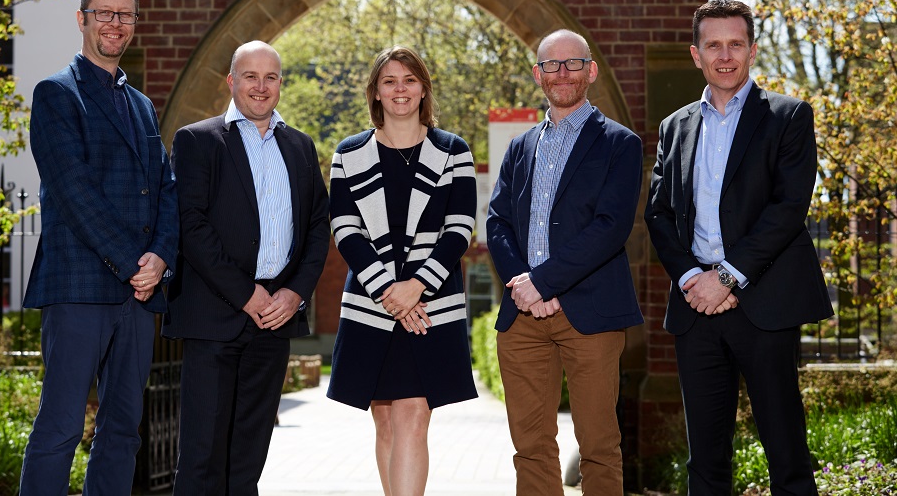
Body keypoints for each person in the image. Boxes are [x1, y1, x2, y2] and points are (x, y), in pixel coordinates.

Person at [644, 0, 834, 494]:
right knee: (704, 460)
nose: (724, 55)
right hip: (694, 309)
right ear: (696, 53)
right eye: (713, 45)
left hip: (764, 302)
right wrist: (692, 279)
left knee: (786, 451)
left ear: (751, 50)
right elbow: (659, 215)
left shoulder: (788, 117)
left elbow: (788, 209)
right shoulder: (675, 126)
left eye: (735, 44)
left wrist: (726, 277)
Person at [19, 0, 179, 496]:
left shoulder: (141, 106)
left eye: (125, 14)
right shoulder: (56, 95)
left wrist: (161, 256)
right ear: (82, 19)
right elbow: (74, 193)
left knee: (122, 431)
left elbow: (165, 188)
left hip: (138, 296)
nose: (116, 23)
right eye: (105, 13)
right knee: (61, 427)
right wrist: (138, 263)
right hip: (80, 287)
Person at [162, 40, 329, 496]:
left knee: (249, 459)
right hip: (216, 317)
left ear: (281, 84)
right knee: (201, 459)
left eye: (270, 76)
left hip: (275, 319)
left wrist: (294, 294)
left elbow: (318, 226)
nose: (261, 86)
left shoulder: (299, 145)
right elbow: (191, 227)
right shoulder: (198, 140)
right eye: (250, 76)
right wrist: (246, 294)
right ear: (232, 82)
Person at [486, 29, 644, 496]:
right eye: (552, 65)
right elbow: (496, 221)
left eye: (573, 63)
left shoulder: (620, 143)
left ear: (591, 71)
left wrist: (545, 283)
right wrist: (523, 285)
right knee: (530, 446)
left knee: (598, 444)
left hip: (590, 313)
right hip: (523, 317)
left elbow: (610, 228)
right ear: (538, 75)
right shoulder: (520, 146)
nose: (562, 73)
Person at [327, 45, 478, 496]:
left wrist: (415, 288)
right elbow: (345, 228)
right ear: (375, 91)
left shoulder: (453, 150)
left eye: (409, 80)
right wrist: (391, 292)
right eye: (389, 81)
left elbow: (461, 227)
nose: (400, 89)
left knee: (414, 413)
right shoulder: (349, 153)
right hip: (372, 306)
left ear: (423, 88)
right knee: (386, 418)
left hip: (430, 305)